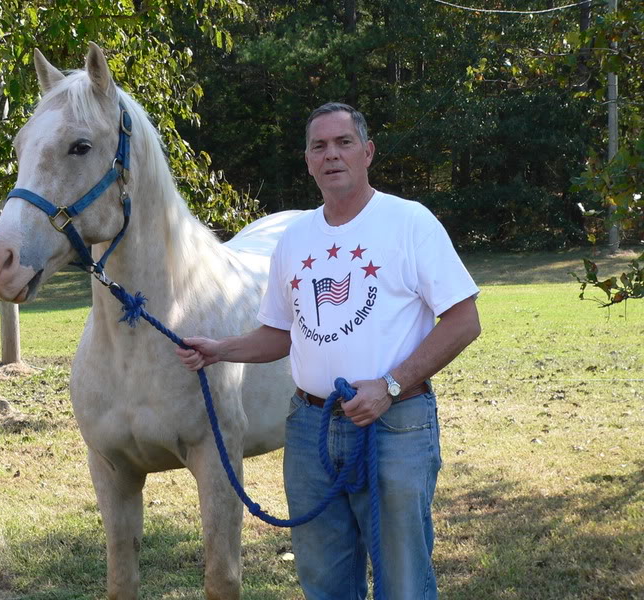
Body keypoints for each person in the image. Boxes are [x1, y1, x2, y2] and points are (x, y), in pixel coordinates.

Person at [176, 102, 481, 600]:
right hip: (310, 428)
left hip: (396, 423)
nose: (331, 154)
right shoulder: (294, 240)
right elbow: (279, 333)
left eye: (343, 142)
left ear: (368, 152)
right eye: (319, 146)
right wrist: (219, 349)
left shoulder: (409, 223)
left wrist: (389, 386)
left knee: (403, 581)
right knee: (322, 580)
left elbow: (464, 320)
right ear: (308, 160)